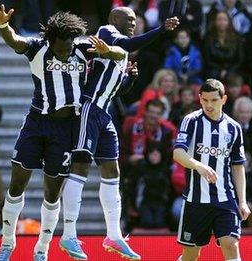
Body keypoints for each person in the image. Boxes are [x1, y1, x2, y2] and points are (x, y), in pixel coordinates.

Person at [0, 4, 127, 261]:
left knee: (52, 192)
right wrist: (3, 25)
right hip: (36, 123)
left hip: (67, 129)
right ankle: (7, 243)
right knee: (17, 184)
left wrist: (111, 51)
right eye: (59, 50)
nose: (64, 54)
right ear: (49, 40)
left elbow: (120, 54)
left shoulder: (83, 48)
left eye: (67, 49)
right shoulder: (37, 48)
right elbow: (14, 41)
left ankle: (42, 249)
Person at [59, 6, 178, 260]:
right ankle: (68, 234)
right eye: (130, 18)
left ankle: (114, 235)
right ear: (114, 18)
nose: (134, 23)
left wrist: (130, 80)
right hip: (89, 108)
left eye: (136, 20)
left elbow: (116, 88)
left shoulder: (120, 50)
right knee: (79, 168)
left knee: (112, 172)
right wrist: (161, 29)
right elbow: (128, 43)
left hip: (105, 114)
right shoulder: (107, 31)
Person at [172, 79, 251, 261]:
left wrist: (243, 201)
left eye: (214, 100)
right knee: (191, 255)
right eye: (205, 100)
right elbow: (178, 153)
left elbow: (238, 166)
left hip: (225, 199)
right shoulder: (191, 121)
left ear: (223, 99)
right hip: (196, 200)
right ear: (199, 99)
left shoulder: (233, 128)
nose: (209, 105)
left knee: (231, 245)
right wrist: (199, 166)